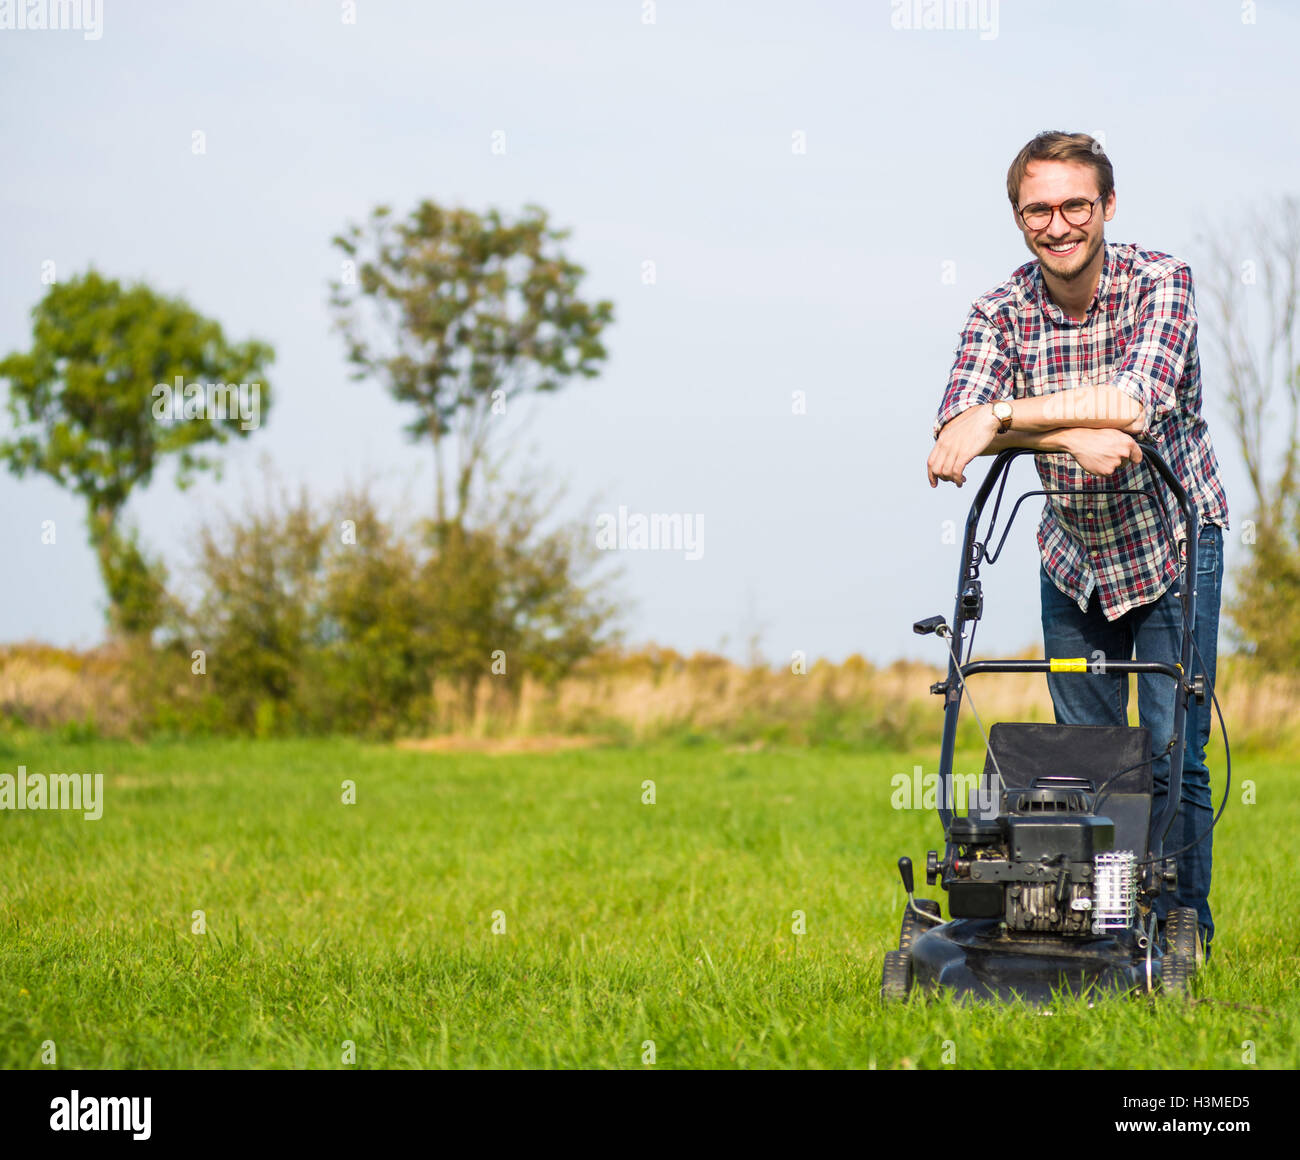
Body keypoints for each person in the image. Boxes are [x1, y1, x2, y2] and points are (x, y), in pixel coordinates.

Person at [926, 130, 1229, 960]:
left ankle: (1180, 930)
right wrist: (1062, 437)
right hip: (1073, 560)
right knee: (1090, 761)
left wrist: (1007, 416)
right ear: (1018, 216)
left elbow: (1135, 403)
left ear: (1107, 207)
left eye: (1074, 205)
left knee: (1173, 755)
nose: (1056, 225)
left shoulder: (1161, 281)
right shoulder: (998, 310)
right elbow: (951, 433)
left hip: (1173, 546)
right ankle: (1101, 929)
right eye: (1038, 210)